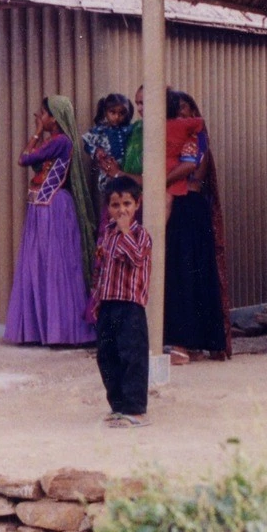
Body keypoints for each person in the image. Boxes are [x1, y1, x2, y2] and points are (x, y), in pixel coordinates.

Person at [3, 96, 98, 346]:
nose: (40, 118)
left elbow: (24, 159)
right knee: (40, 265)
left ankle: (61, 333)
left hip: (53, 207)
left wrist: (35, 133)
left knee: (56, 266)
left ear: (54, 118)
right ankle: (43, 331)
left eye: (43, 114)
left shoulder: (60, 142)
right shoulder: (53, 142)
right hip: (41, 207)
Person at [162, 91, 232, 361]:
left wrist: (161, 179)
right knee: (181, 273)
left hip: (189, 206)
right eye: (177, 112)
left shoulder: (197, 138)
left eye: (187, 111)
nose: (184, 117)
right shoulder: (171, 137)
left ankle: (187, 344)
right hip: (180, 204)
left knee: (190, 273)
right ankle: (192, 343)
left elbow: (194, 170)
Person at [90, 175, 151, 428]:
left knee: (132, 355)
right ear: (108, 208)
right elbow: (101, 269)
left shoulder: (140, 235)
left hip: (130, 305)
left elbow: (136, 258)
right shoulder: (107, 233)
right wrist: (96, 300)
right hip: (108, 303)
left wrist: (126, 231)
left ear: (137, 204)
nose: (122, 210)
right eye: (115, 205)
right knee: (107, 354)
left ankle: (135, 409)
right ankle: (118, 405)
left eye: (127, 203)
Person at [80, 93, 138, 217]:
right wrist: (96, 152)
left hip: (126, 169)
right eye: (113, 112)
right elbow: (87, 144)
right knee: (111, 198)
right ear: (105, 112)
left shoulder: (129, 129)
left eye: (121, 113)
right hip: (108, 170)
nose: (117, 117)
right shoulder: (100, 131)